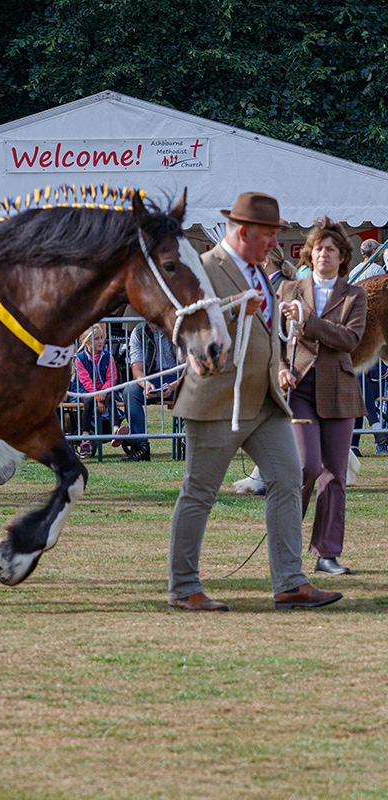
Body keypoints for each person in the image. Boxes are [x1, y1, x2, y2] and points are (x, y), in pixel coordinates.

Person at [168, 192, 342, 612]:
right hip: (215, 402)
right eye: (268, 235)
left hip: (263, 402)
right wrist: (231, 310)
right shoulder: (205, 268)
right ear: (244, 232)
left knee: (290, 477)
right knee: (200, 493)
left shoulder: (260, 271)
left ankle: (290, 582)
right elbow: (183, 327)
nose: (275, 243)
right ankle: (183, 588)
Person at [277, 217, 367, 575]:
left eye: (331, 249)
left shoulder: (355, 295)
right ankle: (285, 545)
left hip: (340, 391)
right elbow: (274, 339)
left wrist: (308, 322)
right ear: (309, 254)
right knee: (306, 466)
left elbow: (349, 339)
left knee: (335, 474)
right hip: (299, 388)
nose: (324, 254)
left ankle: (327, 553)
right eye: (318, 248)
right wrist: (279, 368)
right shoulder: (288, 290)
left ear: (342, 257)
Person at [120, 321, 180, 461]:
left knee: (191, 391)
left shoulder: (180, 329)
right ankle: (141, 448)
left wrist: (172, 386)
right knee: (129, 392)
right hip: (151, 377)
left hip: (179, 378)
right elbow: (137, 370)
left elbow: (191, 369)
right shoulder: (138, 332)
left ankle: (190, 445)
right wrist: (145, 383)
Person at [71, 324, 119, 458]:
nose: (100, 341)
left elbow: (112, 377)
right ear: (87, 342)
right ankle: (85, 437)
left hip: (105, 391)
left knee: (110, 398)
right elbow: (85, 380)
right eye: (96, 339)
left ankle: (116, 431)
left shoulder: (108, 356)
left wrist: (103, 392)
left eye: (102, 338)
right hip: (86, 391)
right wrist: (98, 396)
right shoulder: (79, 358)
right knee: (88, 399)